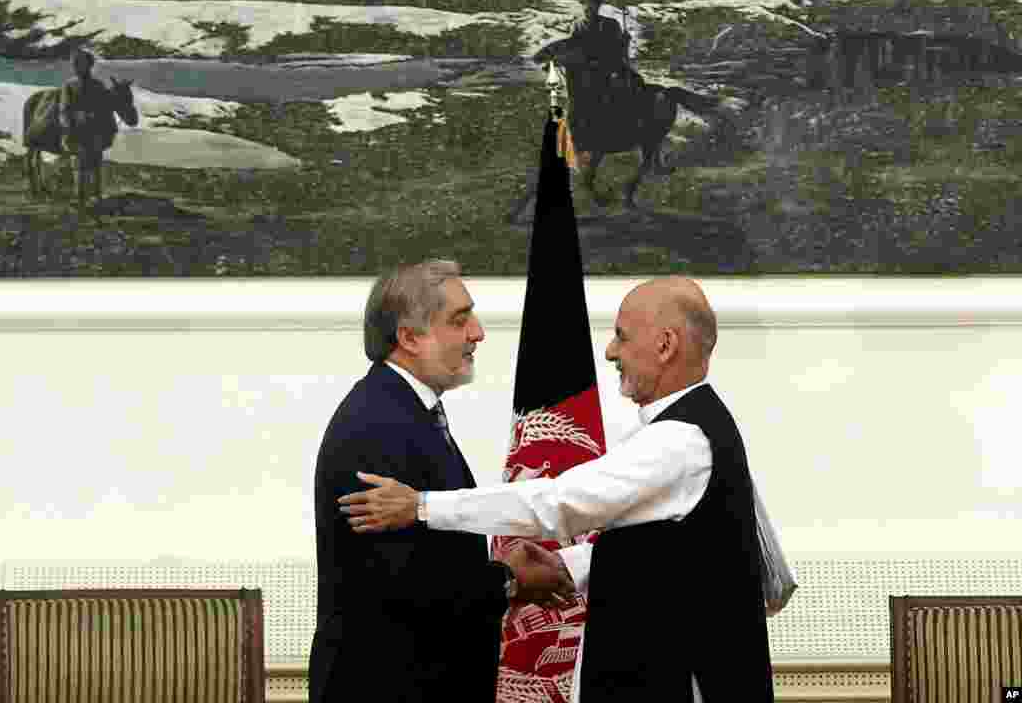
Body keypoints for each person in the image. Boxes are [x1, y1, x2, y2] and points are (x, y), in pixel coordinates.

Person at [338, 276, 776, 703]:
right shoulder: (700, 425)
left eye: (621, 337)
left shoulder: (681, 440)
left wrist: (421, 506)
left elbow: (559, 502)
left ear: (664, 345)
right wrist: (568, 564)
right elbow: (667, 547)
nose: (608, 351)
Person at [309, 259, 575, 703]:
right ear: (409, 336)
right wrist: (509, 579)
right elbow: (404, 581)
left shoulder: (406, 412)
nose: (478, 333)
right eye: (459, 319)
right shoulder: (375, 426)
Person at [59, 48, 112, 154]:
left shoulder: (98, 85)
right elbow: (64, 109)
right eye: (76, 64)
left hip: (96, 132)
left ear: (89, 65)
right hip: (76, 133)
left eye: (81, 64)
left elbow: (106, 109)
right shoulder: (69, 85)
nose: (77, 67)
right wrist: (75, 118)